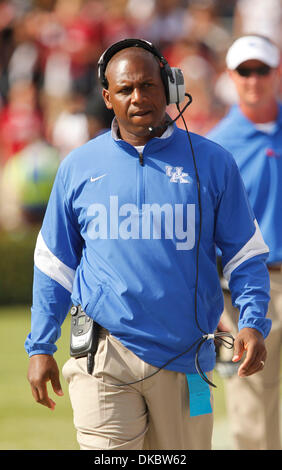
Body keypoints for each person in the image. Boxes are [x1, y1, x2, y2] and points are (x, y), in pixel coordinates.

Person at [25, 38, 271, 451]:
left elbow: (244, 255)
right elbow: (54, 264)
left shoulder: (212, 162)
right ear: (107, 97)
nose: (138, 97)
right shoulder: (77, 167)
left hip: (187, 357)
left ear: (170, 87)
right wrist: (40, 345)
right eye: (125, 89)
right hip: (102, 356)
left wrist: (251, 320)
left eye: (148, 85)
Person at [207, 34, 282, 450]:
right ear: (231, 77)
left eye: (262, 69)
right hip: (247, 289)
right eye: (244, 71)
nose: (254, 79)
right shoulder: (217, 146)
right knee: (252, 403)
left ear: (276, 73)